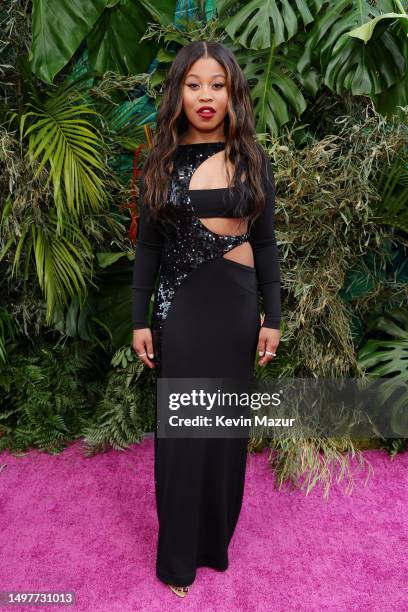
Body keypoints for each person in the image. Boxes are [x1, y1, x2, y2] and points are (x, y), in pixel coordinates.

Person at [131, 40, 281, 597]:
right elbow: (147, 248)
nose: (206, 95)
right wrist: (139, 318)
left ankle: (214, 545)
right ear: (179, 91)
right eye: (195, 84)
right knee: (183, 436)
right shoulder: (160, 161)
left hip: (238, 309)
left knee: (223, 433)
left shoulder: (251, 161)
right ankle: (176, 561)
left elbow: (266, 246)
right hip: (182, 309)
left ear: (233, 92)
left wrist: (273, 316)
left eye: (217, 84)